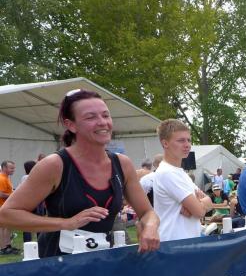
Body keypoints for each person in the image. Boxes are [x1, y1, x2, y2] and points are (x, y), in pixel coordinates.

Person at [0, 89, 159, 257]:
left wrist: (150, 226)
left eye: (105, 115)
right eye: (91, 117)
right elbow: (6, 215)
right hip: (59, 263)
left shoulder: (122, 164)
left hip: (103, 260)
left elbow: (148, 212)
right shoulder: (55, 165)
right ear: (71, 125)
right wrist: (66, 223)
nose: (102, 122)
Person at [153, 119, 212, 242]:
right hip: (174, 243)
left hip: (185, 241)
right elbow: (199, 212)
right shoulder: (167, 172)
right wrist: (199, 206)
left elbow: (207, 203)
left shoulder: (180, 173)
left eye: (189, 140)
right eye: (181, 140)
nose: (187, 145)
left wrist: (200, 204)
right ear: (165, 143)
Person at [0, 160, 18, 254]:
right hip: (2, 206)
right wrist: (14, 195)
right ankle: (4, 248)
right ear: (4, 168)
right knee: (3, 227)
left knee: (7, 227)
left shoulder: (6, 177)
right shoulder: (2, 178)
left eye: (13, 168)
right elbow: (1, 194)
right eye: (11, 168)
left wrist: (13, 192)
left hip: (5, 206)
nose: (13, 170)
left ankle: (7, 246)